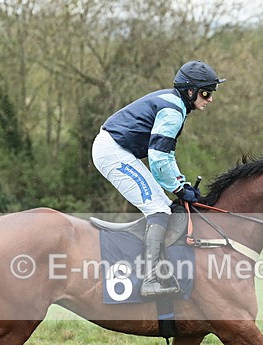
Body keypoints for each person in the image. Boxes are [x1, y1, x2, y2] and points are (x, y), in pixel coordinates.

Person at [92, 60, 225, 298]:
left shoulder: (176, 106)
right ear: (191, 91)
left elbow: (167, 156)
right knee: (159, 210)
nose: (210, 99)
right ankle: (149, 279)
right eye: (206, 93)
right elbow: (158, 157)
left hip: (117, 150)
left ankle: (158, 271)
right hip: (112, 152)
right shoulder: (173, 111)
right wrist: (178, 188)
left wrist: (180, 183)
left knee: (163, 207)